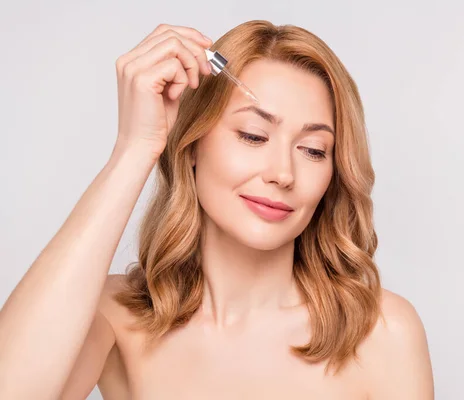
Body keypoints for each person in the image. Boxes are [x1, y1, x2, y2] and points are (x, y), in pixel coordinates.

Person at [0, 20, 434, 399]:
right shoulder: (115, 316)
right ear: (192, 145)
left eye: (313, 150)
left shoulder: (383, 333)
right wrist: (135, 150)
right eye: (252, 135)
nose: (283, 173)